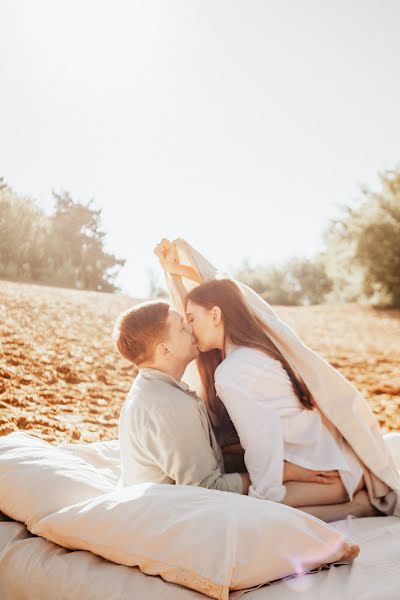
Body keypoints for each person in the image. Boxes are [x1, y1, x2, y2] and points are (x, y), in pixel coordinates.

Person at [154, 238, 384, 522]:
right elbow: (226, 293)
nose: (188, 329)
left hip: (328, 476)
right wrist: (175, 275)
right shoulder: (252, 348)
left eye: (191, 319)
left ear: (215, 315)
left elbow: (264, 440)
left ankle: (357, 509)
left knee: (253, 512)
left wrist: (264, 495)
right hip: (333, 462)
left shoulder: (234, 371)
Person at [113, 298, 346, 505]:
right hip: (173, 513)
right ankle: (357, 508)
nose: (191, 329)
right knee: (336, 490)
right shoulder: (169, 406)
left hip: (168, 497)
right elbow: (207, 489)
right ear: (165, 350)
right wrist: (286, 472)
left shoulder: (152, 388)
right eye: (182, 327)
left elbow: (207, 458)